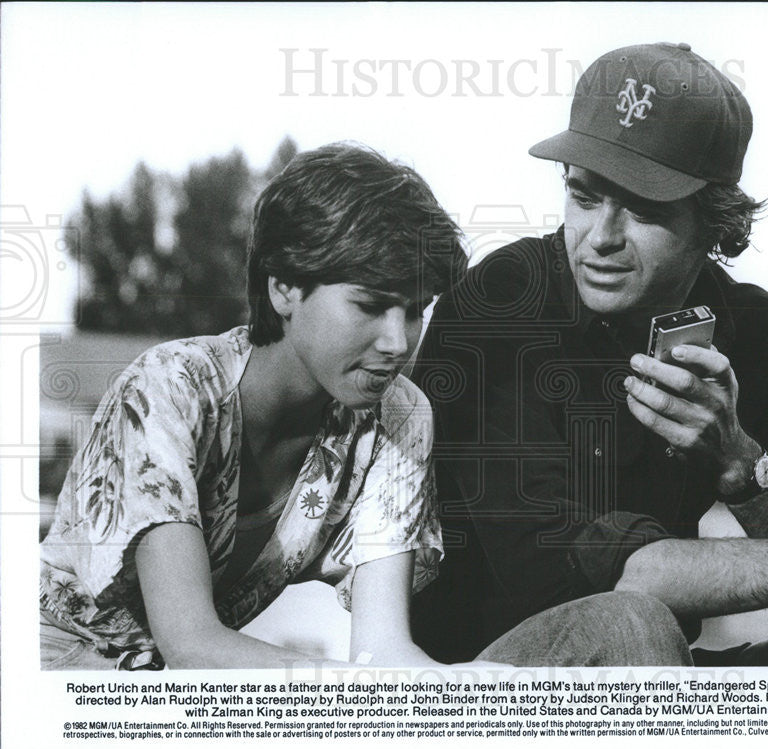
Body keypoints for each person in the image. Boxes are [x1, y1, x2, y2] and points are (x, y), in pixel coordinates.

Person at [410, 42, 768, 666]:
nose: (600, 240)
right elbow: (560, 577)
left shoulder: (756, 329)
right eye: (584, 197)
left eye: (642, 209)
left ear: (717, 223)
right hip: (484, 685)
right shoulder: (499, 303)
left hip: (660, 679)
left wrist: (742, 467)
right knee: (626, 623)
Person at [39, 142, 475, 670]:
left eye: (415, 310)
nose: (397, 342)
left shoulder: (399, 418)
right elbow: (193, 644)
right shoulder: (171, 387)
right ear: (284, 286)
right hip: (44, 691)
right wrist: (379, 692)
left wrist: (474, 692)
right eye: (371, 303)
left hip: (189, 707)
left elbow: (382, 650)